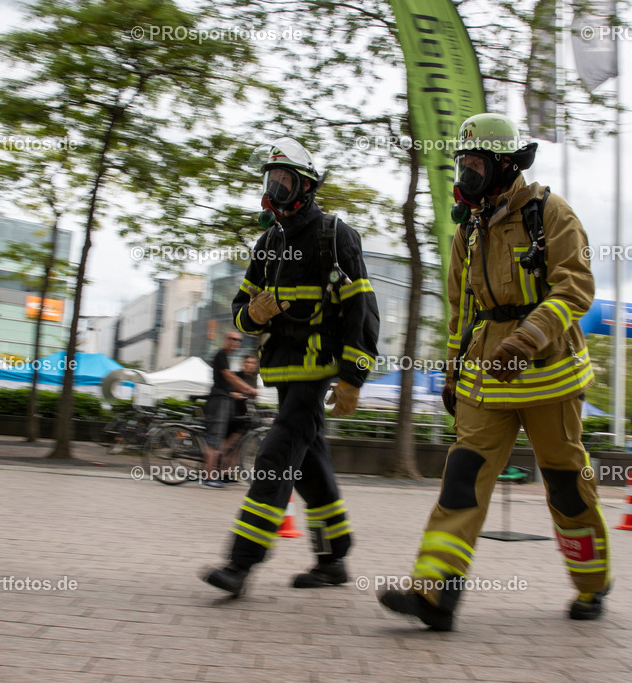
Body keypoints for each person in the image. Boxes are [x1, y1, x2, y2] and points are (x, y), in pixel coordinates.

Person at [378, 113, 611, 631]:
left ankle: (592, 583)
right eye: (462, 164)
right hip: (488, 375)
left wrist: (527, 338)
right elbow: (463, 310)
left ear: (505, 165)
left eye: (475, 164)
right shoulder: (469, 231)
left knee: (566, 484)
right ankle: (434, 594)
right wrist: (452, 370)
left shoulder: (551, 214)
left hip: (549, 375)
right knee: (462, 478)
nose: (466, 176)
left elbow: (574, 289)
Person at [199, 137, 379, 595]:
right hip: (282, 374)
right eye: (271, 180)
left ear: (306, 187)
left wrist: (353, 376)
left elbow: (363, 310)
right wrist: (252, 314)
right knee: (310, 464)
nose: (275, 189)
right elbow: (239, 309)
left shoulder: (335, 235)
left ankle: (240, 564)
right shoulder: (267, 244)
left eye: (285, 180)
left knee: (276, 460)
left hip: (315, 373)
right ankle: (333, 557)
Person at [202, 331, 259, 489]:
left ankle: (216, 475)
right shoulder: (220, 354)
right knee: (215, 440)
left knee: (220, 441)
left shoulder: (226, 358)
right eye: (232, 339)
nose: (235, 342)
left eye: (238, 340)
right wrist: (249, 389)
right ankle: (209, 477)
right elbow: (230, 377)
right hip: (218, 400)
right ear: (225, 339)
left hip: (223, 401)